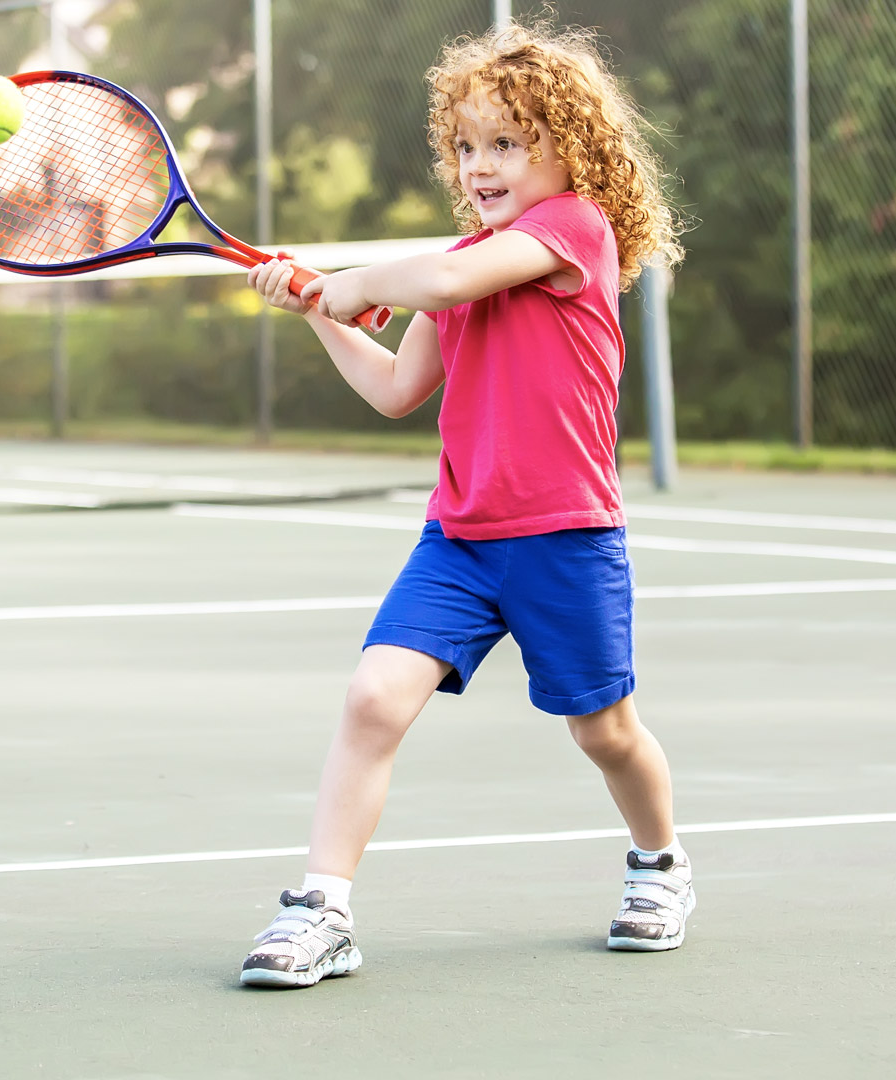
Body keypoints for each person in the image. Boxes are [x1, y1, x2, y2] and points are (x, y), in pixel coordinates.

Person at [238, 20, 690, 989]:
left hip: (566, 539)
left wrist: (349, 281)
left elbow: (439, 276)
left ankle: (660, 865)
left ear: (571, 151)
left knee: (605, 731)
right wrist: (322, 312)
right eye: (468, 145)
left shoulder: (573, 230)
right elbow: (398, 388)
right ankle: (321, 909)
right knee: (372, 700)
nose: (481, 164)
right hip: (459, 540)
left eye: (509, 143)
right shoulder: (466, 263)